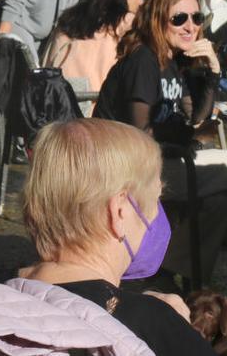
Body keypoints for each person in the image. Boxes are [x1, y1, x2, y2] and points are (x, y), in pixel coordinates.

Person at [20, 119, 216, 356]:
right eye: (156, 199)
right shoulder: (157, 327)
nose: (158, 216)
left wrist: (134, 305)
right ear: (120, 211)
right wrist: (172, 326)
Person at [94, 0, 227, 282]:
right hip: (123, 166)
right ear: (157, 19)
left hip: (157, 161)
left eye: (197, 18)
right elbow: (139, 135)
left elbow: (196, 117)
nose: (191, 26)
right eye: (179, 19)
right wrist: (177, 148)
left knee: (219, 201)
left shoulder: (174, 61)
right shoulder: (144, 61)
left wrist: (212, 71)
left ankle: (169, 270)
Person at [47, 0, 144, 110]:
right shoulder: (125, 21)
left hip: (55, 98)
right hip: (94, 106)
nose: (141, 1)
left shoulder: (71, 17)